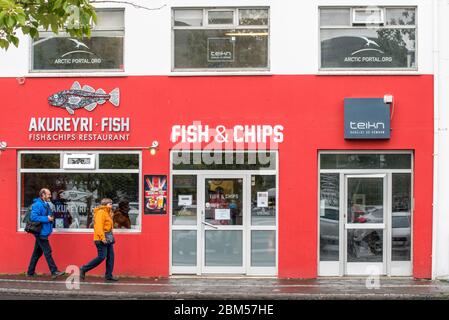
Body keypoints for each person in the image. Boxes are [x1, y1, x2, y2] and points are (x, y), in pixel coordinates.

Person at [26, 188, 66, 279]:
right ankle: (54, 271)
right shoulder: (37, 204)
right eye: (48, 194)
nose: (50, 196)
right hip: (41, 233)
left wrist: (50, 218)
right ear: (43, 195)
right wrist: (47, 218)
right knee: (48, 252)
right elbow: (33, 217)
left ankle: (30, 272)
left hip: (44, 232)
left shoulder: (45, 204)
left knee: (37, 253)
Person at [80, 198, 118, 282]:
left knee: (111, 257)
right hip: (101, 238)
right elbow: (98, 227)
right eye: (110, 203)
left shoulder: (108, 213)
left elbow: (108, 226)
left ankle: (108, 275)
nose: (111, 205)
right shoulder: (101, 212)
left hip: (108, 238)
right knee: (101, 257)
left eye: (112, 203)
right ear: (105, 204)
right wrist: (102, 238)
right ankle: (83, 268)